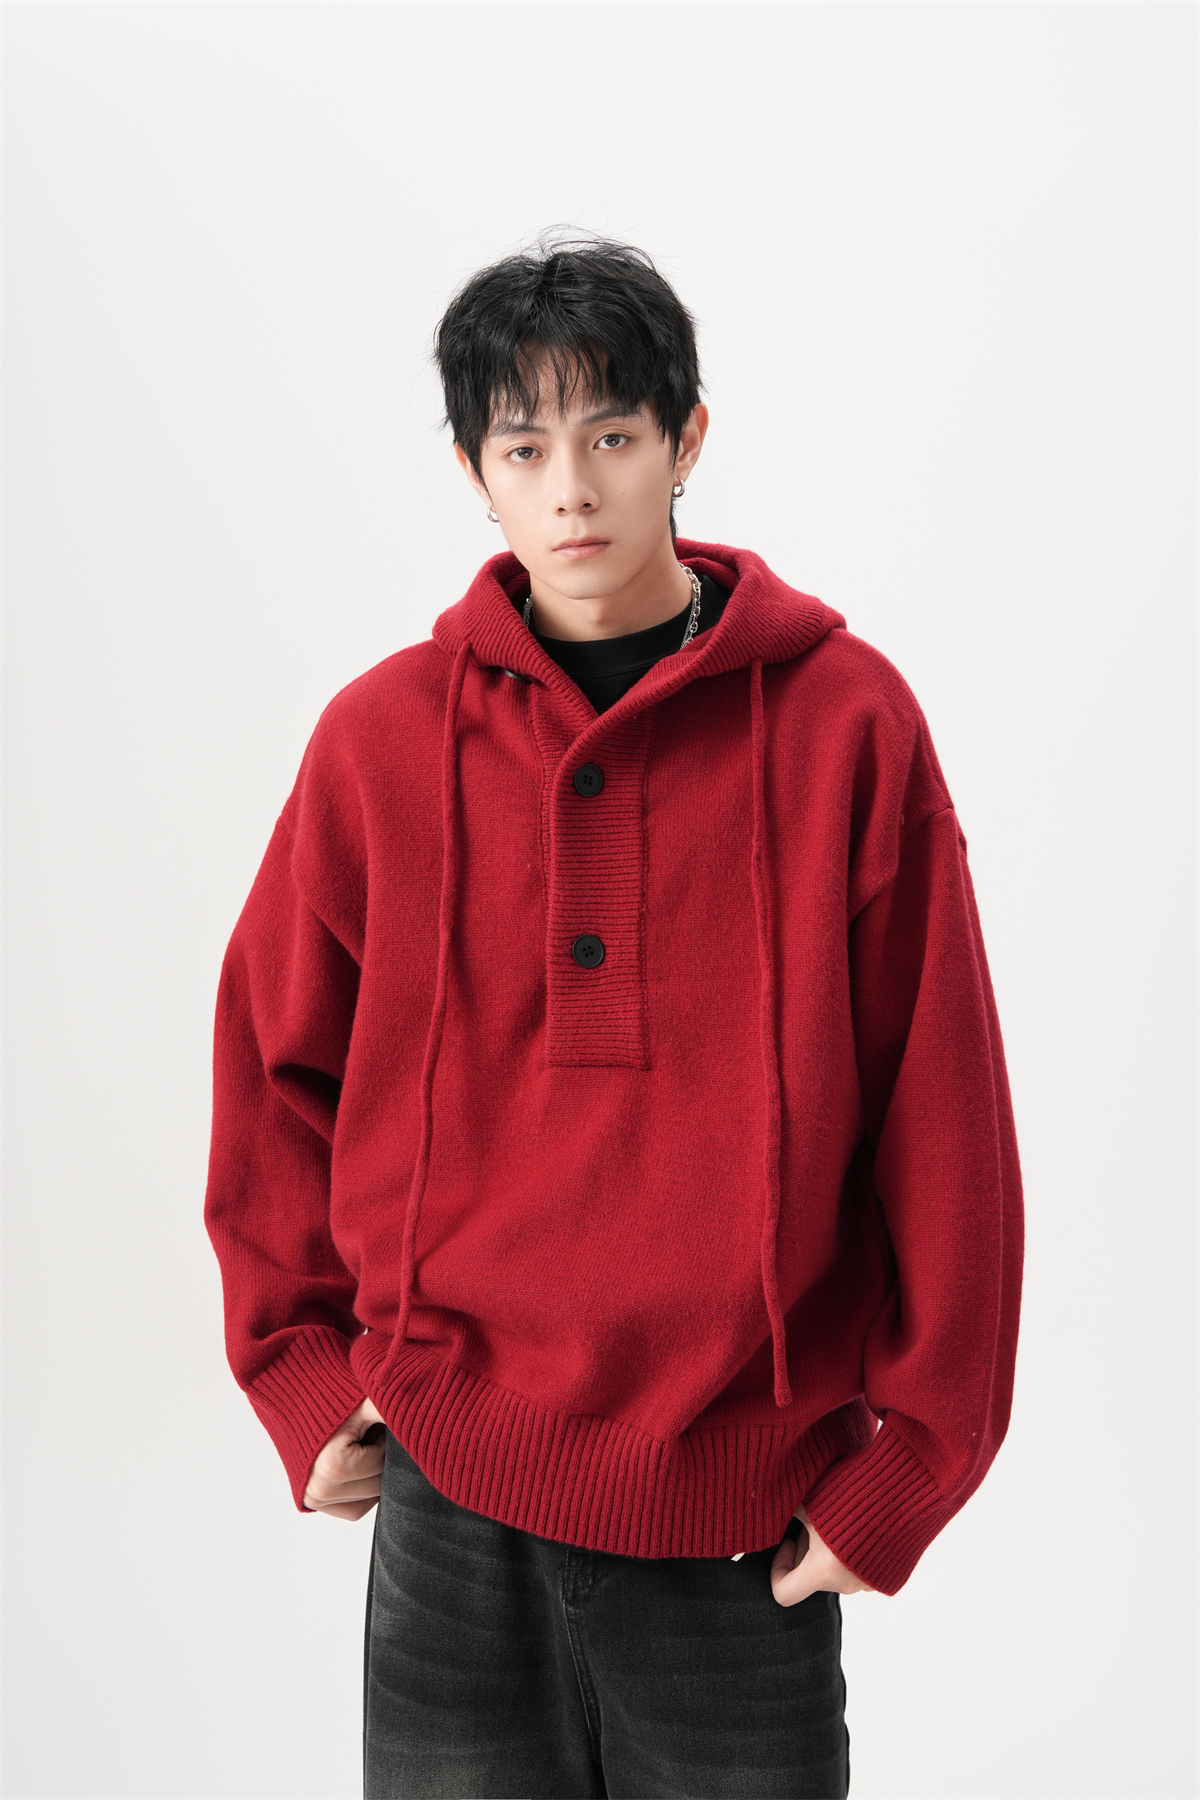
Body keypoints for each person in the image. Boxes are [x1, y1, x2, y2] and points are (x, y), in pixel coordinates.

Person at [204, 232, 1024, 1800]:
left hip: (741, 1522)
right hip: (449, 1497)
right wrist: (297, 1368)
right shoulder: (379, 742)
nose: (571, 489)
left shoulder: (848, 726)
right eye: (525, 449)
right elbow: (271, 1067)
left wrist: (918, 1462)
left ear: (684, 439)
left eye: (613, 436)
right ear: (474, 472)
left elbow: (944, 1110)